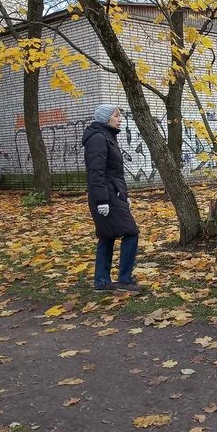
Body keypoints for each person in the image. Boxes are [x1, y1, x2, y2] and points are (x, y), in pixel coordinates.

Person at [82, 104, 141, 292]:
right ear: (105, 118)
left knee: (107, 236)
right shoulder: (99, 139)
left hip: (112, 194)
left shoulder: (106, 137)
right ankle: (124, 279)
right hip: (106, 196)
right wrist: (102, 201)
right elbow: (96, 172)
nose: (120, 119)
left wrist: (124, 195)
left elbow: (114, 173)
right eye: (116, 116)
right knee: (131, 233)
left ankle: (101, 281)